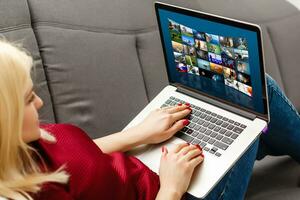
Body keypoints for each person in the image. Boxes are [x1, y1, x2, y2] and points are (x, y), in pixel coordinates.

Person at [0, 39, 299, 200]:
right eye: (27, 100)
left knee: (238, 109)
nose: (39, 102)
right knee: (254, 98)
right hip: (173, 191)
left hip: (153, 165)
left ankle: (268, 140)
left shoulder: (19, 142)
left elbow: (69, 160)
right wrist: (171, 188)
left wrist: (139, 135)